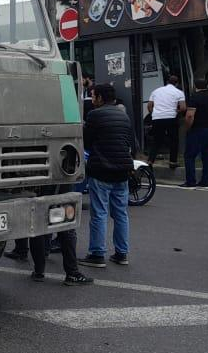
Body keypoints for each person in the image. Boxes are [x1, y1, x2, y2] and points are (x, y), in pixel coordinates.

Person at [79, 83, 134, 268]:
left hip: (101, 170)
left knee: (99, 214)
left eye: (93, 96)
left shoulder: (95, 115)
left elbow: (86, 141)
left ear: (101, 98)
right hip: (122, 171)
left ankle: (97, 253)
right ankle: (121, 253)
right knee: (120, 214)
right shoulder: (123, 115)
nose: (92, 100)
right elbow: (130, 142)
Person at [180, 78, 208, 188]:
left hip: (197, 128)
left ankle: (190, 181)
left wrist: (188, 127)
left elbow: (189, 115)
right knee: (207, 155)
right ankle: (205, 181)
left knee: (190, 155)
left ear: (195, 86)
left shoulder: (194, 97)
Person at [147, 75, 186, 169]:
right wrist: (177, 111)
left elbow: (149, 106)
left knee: (156, 140)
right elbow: (183, 107)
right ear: (177, 83)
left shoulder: (156, 91)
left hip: (157, 118)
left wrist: (155, 113)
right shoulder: (179, 92)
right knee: (174, 140)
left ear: (167, 81)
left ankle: (150, 161)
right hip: (171, 118)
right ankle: (173, 162)